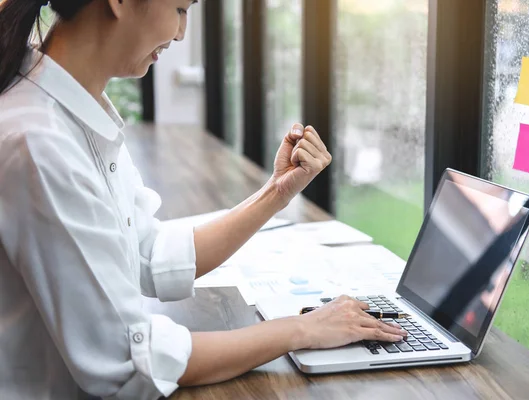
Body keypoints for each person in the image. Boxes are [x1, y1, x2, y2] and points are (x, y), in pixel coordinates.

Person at [0, 1, 407, 399]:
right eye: (180, 9)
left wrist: (277, 192)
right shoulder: (39, 143)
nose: (181, 33)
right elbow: (126, 358)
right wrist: (302, 329)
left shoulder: (73, 113)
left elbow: (149, 253)